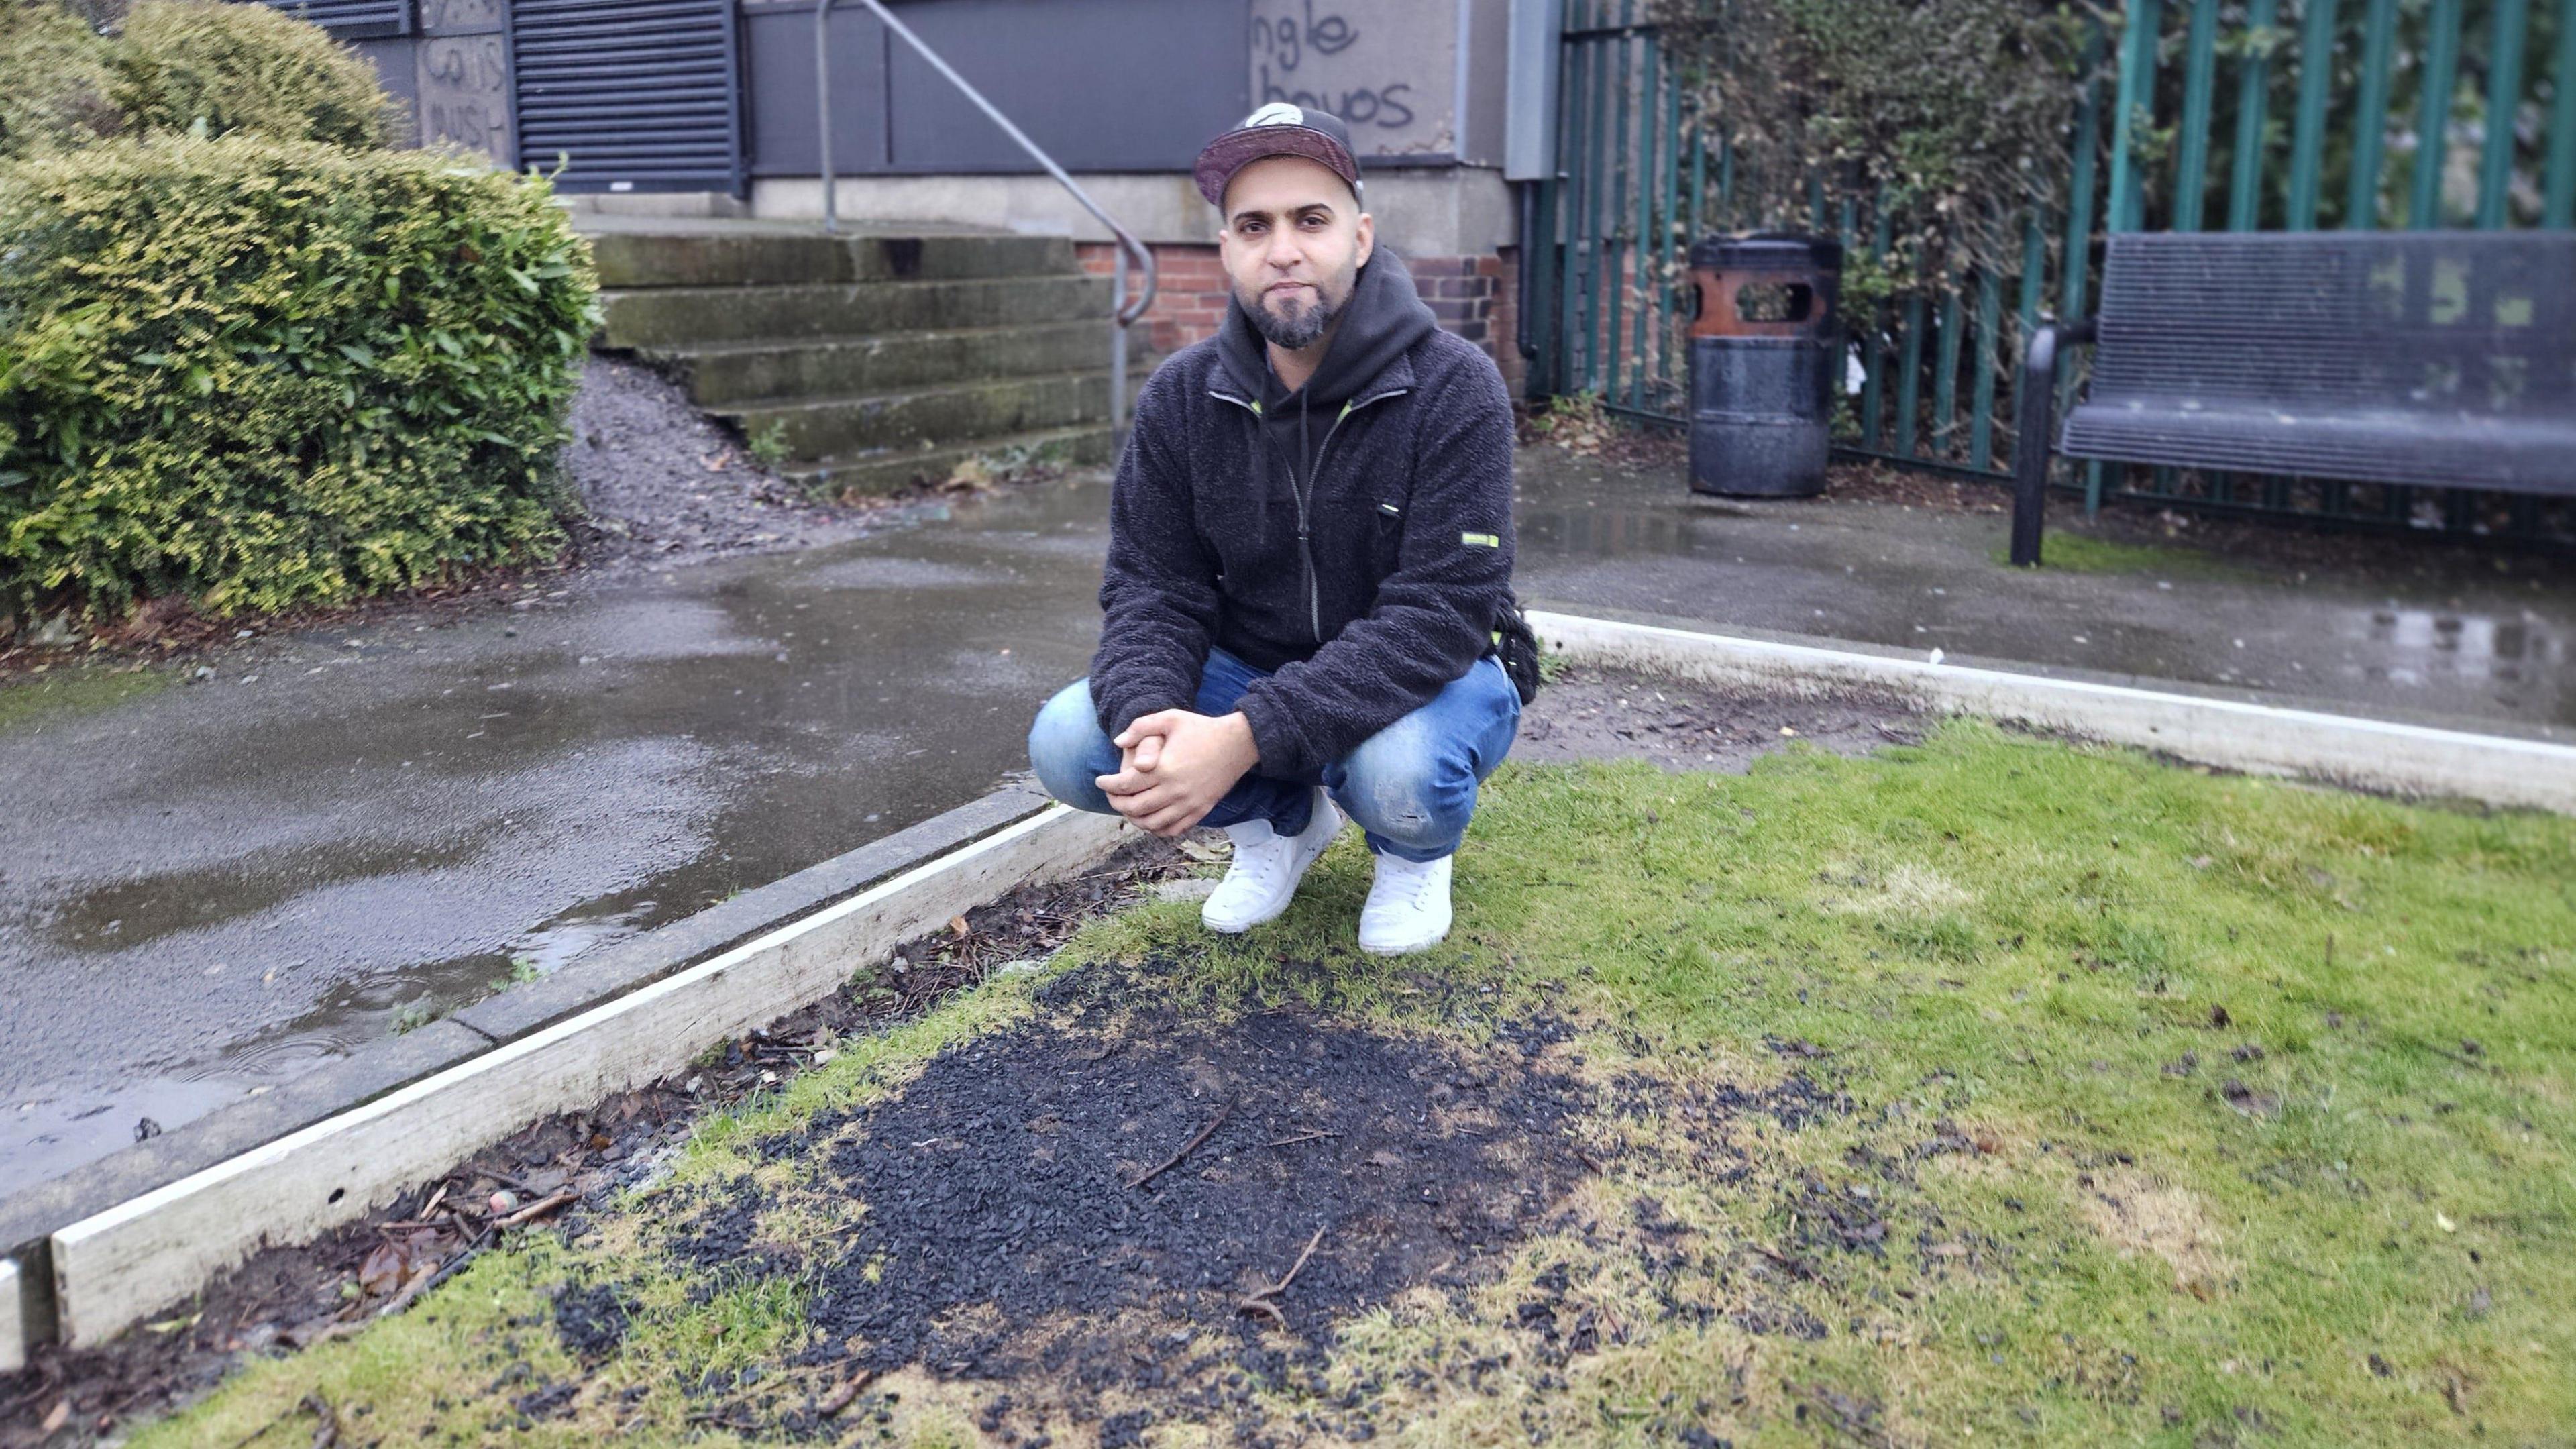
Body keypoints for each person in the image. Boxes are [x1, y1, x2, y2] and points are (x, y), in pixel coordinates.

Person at [1026, 104, 1521, 956]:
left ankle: (1411, 853)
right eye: (1254, 225)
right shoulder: (1182, 398)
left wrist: (1241, 740)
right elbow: (1153, 585)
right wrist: (1157, 726)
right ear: (1226, 251)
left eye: (1311, 220)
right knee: (1076, 743)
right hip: (1251, 661)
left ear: (1360, 239)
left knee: (1399, 775)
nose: (1283, 249)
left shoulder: (1455, 387)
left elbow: (1442, 611)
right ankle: (1281, 829)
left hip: (1435, 671)